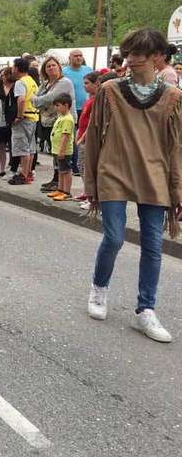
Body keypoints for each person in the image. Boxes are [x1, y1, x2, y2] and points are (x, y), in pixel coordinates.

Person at [85, 28, 182, 343]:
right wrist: (91, 183)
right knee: (113, 237)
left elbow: (176, 148)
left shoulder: (173, 97)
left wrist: (178, 189)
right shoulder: (110, 90)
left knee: (153, 245)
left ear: (156, 57)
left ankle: (146, 310)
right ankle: (99, 289)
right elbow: (94, 137)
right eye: (128, 55)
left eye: (137, 56)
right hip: (113, 170)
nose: (130, 61)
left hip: (154, 175)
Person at [31, 57, 76, 193]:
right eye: (48, 66)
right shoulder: (45, 84)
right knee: (54, 152)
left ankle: (61, 184)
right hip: (47, 121)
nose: (51, 68)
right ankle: (56, 179)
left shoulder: (64, 82)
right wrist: (38, 100)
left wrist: (38, 100)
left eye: (54, 65)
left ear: (59, 67)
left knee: (62, 154)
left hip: (62, 121)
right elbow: (34, 100)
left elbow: (50, 98)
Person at [76, 71, 110, 208]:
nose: (84, 86)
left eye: (87, 83)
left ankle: (93, 197)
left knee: (86, 167)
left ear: (96, 84)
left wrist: (83, 138)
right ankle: (88, 193)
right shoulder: (89, 98)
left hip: (87, 139)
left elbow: (92, 121)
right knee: (81, 166)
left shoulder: (97, 99)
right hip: (82, 135)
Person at [8, 57, 39, 185]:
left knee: (22, 148)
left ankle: (23, 175)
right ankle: (29, 173)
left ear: (17, 68)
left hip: (24, 117)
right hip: (34, 117)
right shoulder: (32, 81)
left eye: (13, 66)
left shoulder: (20, 82)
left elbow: (20, 100)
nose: (12, 69)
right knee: (31, 148)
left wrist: (19, 116)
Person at [62, 49, 92, 174]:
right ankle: (75, 164)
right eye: (76, 56)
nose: (78, 58)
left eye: (80, 56)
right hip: (72, 109)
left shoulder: (88, 70)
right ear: (70, 58)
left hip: (87, 108)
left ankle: (85, 163)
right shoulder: (65, 72)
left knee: (86, 137)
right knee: (73, 137)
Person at [46, 93, 75, 201]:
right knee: (60, 170)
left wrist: (62, 150)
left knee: (66, 171)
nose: (56, 108)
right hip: (56, 149)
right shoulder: (61, 117)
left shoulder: (67, 119)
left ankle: (66, 191)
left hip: (63, 150)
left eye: (58, 105)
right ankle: (60, 189)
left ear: (66, 105)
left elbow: (65, 136)